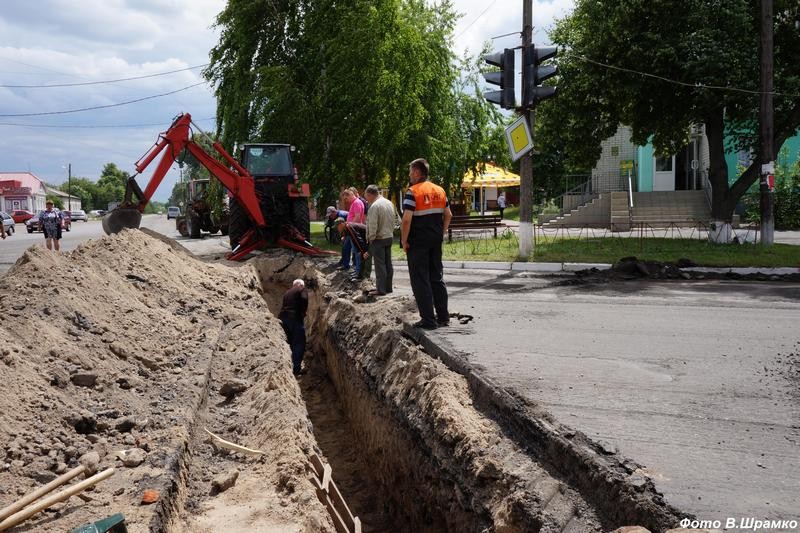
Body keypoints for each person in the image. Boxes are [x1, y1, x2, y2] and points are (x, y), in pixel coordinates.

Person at [400, 158, 452, 330]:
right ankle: (443, 317)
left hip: (418, 242)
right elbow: (449, 215)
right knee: (436, 277)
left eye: (410, 171)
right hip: (435, 240)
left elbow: (406, 220)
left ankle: (428, 320)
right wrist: (442, 232)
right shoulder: (440, 190)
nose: (409, 175)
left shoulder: (413, 192)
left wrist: (404, 240)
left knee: (420, 279)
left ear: (416, 172)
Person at [364, 184, 398, 296]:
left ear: (369, 194)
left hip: (378, 238)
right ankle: (388, 287)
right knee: (388, 264)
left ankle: (381, 289)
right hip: (389, 236)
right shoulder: (389, 203)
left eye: (366, 196)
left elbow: (373, 225)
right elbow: (394, 219)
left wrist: (371, 239)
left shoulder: (374, 206)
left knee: (380, 265)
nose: (366, 199)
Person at [279, 279, 309, 376]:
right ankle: (296, 369)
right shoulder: (301, 289)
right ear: (300, 284)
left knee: (290, 342)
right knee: (299, 343)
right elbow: (304, 299)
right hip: (294, 318)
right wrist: (303, 312)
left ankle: (289, 366)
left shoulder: (287, 293)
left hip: (283, 318)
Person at [337, 189, 366, 273]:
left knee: (356, 251)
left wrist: (349, 226)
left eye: (346, 198)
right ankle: (347, 265)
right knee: (346, 248)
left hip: (353, 230)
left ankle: (357, 270)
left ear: (350, 195)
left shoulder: (357, 203)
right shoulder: (355, 203)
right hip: (350, 230)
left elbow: (357, 217)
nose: (346, 201)